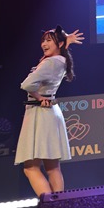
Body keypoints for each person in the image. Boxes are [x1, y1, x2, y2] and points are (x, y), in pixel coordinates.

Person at [14, 26, 84, 197]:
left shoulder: (50, 62)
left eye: (48, 41)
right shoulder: (61, 60)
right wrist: (66, 41)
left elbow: (26, 84)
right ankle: (59, 206)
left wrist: (38, 97)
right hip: (51, 112)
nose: (44, 44)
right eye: (43, 41)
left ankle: (51, 206)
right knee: (52, 167)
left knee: (31, 168)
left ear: (59, 44)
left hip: (40, 113)